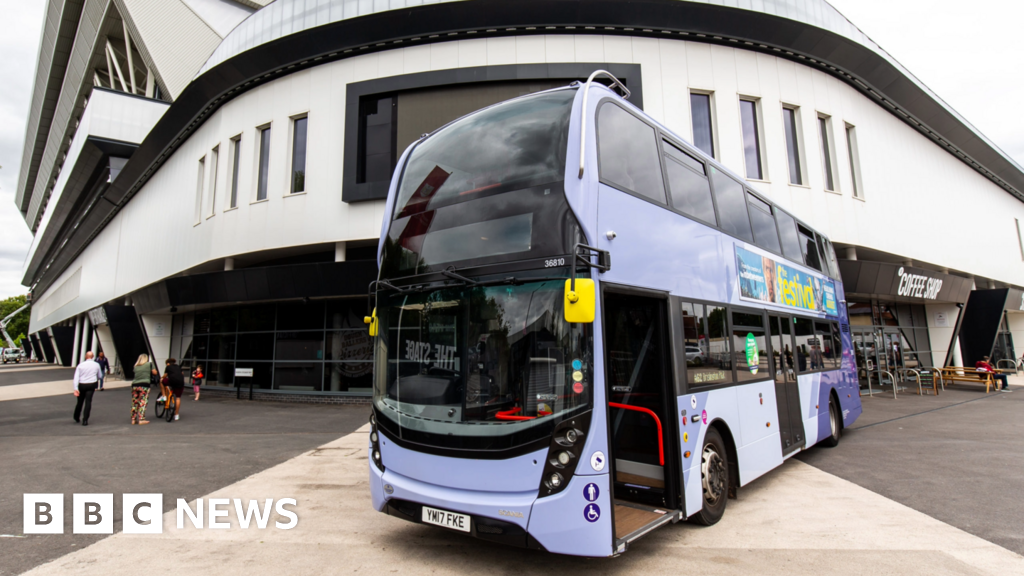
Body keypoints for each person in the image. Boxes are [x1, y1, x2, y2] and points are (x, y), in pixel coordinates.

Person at [72, 351, 104, 426]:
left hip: (82, 384)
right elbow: (100, 376)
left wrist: (75, 388)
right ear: (93, 357)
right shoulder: (96, 365)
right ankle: (85, 420)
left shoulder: (80, 365)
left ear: (85, 356)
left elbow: (76, 377)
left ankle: (76, 416)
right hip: (91, 384)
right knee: (88, 401)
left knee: (80, 401)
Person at [131, 353, 158, 425]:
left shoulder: (135, 366)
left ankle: (133, 419)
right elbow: (154, 373)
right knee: (143, 401)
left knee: (135, 402)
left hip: (134, 385)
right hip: (144, 385)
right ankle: (141, 419)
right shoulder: (149, 364)